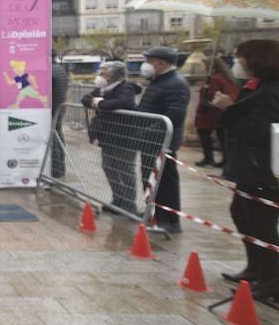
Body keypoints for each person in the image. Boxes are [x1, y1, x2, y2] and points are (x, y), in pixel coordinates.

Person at [212, 39, 279, 298]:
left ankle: (272, 278)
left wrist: (230, 110)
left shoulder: (271, 91)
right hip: (250, 168)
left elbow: (263, 132)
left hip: (263, 170)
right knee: (241, 213)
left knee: (262, 223)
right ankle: (256, 267)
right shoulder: (257, 87)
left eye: (241, 59)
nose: (237, 64)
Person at [136, 46, 190, 234]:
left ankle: (170, 221)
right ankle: (155, 214)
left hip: (162, 142)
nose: (146, 65)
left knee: (165, 183)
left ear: (161, 63)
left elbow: (175, 115)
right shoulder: (159, 81)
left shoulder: (175, 83)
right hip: (150, 140)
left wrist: (149, 131)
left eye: (149, 61)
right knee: (150, 179)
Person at [81, 61, 140, 214]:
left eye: (103, 72)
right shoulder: (102, 89)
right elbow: (85, 99)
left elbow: (124, 102)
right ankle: (117, 199)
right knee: (109, 167)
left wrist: (100, 104)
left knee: (125, 170)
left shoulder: (126, 87)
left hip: (124, 136)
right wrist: (96, 101)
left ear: (113, 74)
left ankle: (129, 204)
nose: (100, 75)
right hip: (107, 135)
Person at [194, 56, 239, 167]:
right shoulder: (225, 78)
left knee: (205, 133)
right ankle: (224, 160)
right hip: (219, 113)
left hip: (211, 113)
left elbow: (210, 96)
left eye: (205, 66)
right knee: (221, 136)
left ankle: (209, 158)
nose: (203, 69)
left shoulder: (215, 79)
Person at [50, 50, 70, 179]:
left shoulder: (50, 71)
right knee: (58, 135)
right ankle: (61, 167)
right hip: (60, 107)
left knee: (53, 137)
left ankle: (56, 169)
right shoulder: (61, 69)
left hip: (53, 109)